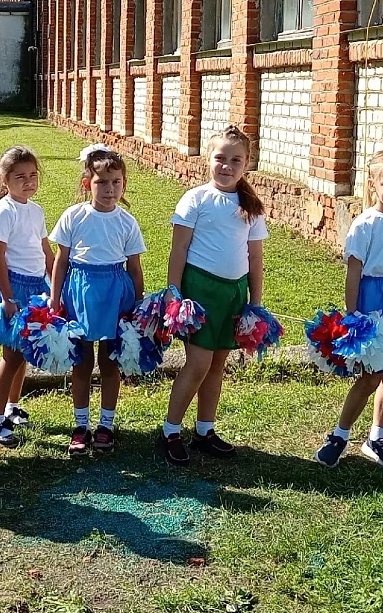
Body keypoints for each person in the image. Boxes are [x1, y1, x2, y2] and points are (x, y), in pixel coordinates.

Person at [312, 150, 383, 469]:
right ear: (373, 184)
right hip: (374, 302)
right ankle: (339, 436)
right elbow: (354, 272)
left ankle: (377, 437)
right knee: (370, 376)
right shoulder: (365, 224)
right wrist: (353, 315)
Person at [159, 127, 268, 465]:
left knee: (218, 364)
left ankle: (204, 430)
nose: (226, 166)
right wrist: (174, 292)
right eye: (220, 158)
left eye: (236, 160)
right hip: (199, 292)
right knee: (198, 364)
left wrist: (255, 303)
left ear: (247, 164)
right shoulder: (196, 199)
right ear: (208, 159)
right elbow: (179, 249)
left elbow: (255, 258)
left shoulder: (251, 206)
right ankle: (170, 431)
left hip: (233, 294)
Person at [49, 145, 146, 456]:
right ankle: (81, 426)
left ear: (124, 184)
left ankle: (105, 425)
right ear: (86, 183)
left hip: (115, 293)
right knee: (81, 360)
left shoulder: (127, 222)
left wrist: (139, 304)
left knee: (109, 360)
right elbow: (61, 261)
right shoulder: (73, 216)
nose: (109, 189)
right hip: (80, 291)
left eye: (116, 182)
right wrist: (54, 298)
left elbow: (134, 267)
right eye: (101, 182)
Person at [0, 146, 53, 448]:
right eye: (20, 176)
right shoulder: (3, 211)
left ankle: (12, 407)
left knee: (23, 353)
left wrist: (55, 286)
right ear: (5, 179)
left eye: (32, 175)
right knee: (10, 356)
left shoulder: (35, 210)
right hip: (13, 288)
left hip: (37, 289)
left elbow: (46, 251)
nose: (28, 182)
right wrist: (8, 298)